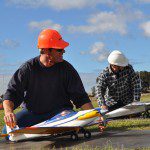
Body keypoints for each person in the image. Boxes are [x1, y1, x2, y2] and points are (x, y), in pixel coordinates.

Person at [2, 29, 94, 132]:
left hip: (61, 112)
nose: (63, 51)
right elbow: (11, 93)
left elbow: (80, 97)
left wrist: (95, 116)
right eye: (59, 49)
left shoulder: (67, 69)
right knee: (7, 131)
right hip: (33, 113)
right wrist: (8, 112)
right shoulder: (28, 69)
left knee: (73, 125)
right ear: (46, 50)